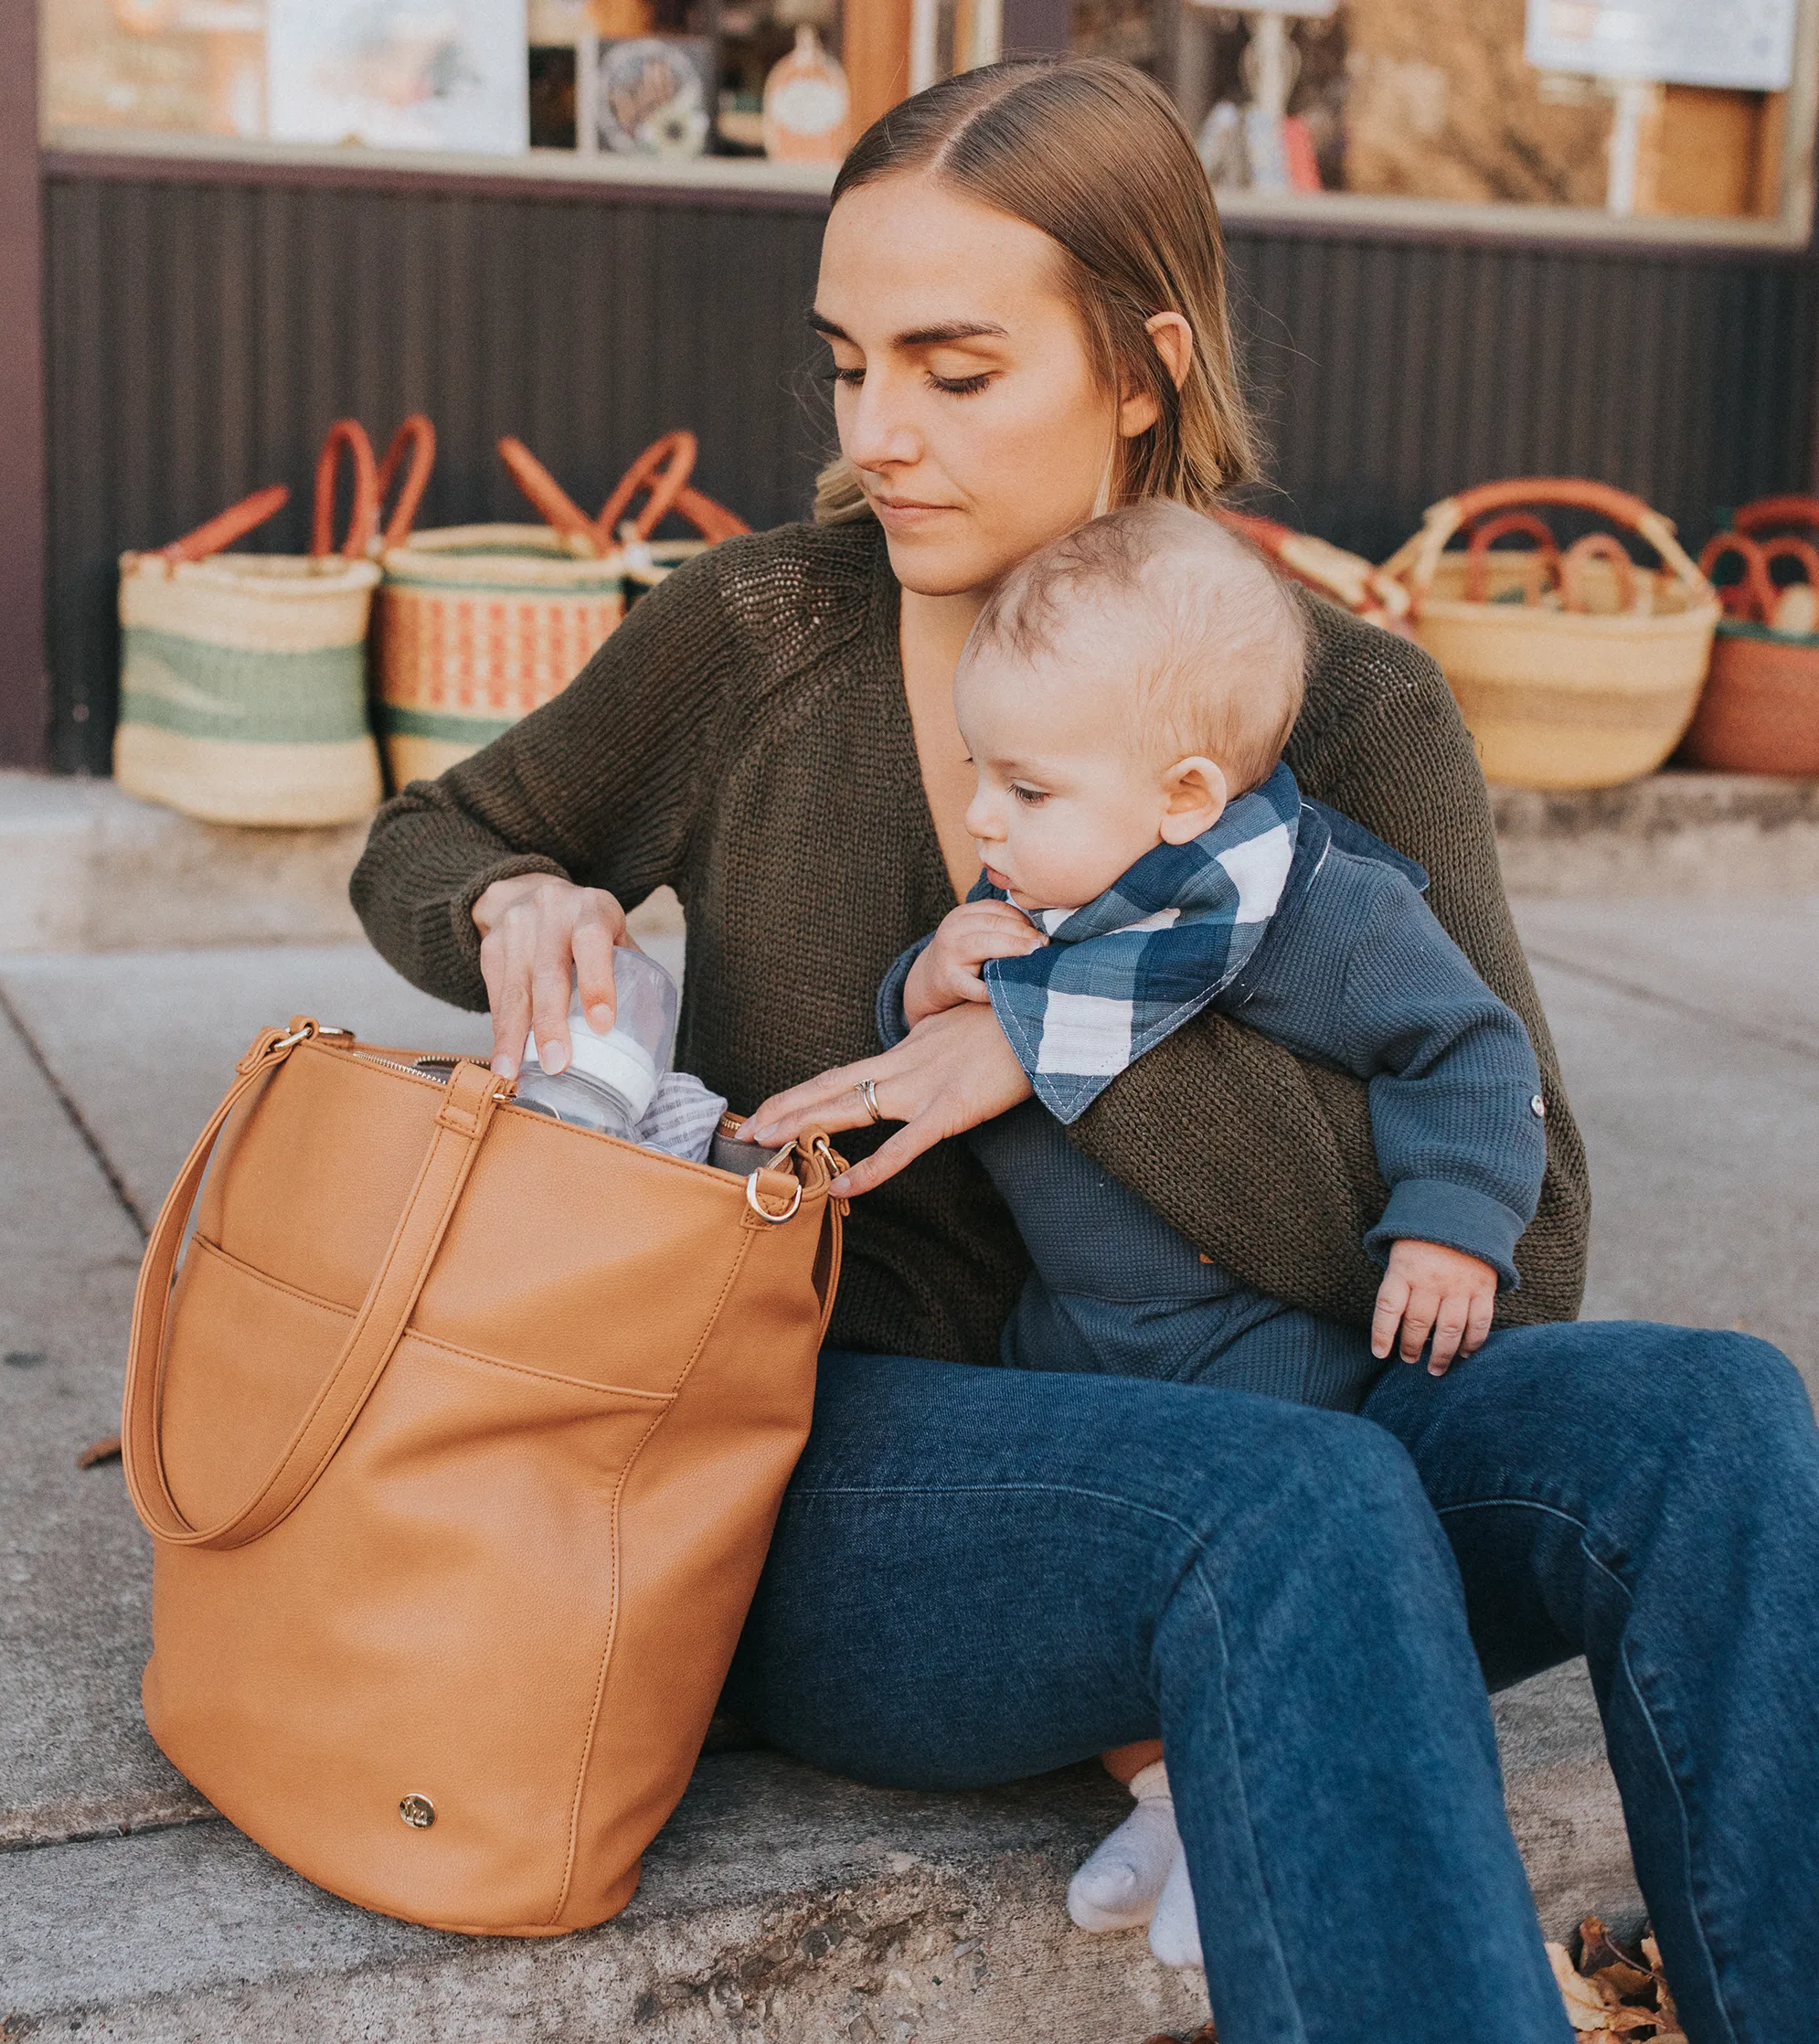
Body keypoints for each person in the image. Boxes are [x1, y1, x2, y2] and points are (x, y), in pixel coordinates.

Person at [351, 58, 1819, 2044]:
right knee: (1280, 1504)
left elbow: (1517, 1240)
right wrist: (508, 904)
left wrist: (1056, 1045)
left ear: (1141, 365)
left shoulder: (1346, 707)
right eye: (846, 365)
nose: (879, 434)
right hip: (843, 1489)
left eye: (954, 372)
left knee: (1710, 1415)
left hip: (1290, 1426)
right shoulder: (759, 633)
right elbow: (437, 830)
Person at [875, 499, 1549, 1964]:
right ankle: (1167, 1792)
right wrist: (925, 984)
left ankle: (1239, 1809)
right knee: (1100, 1586)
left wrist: (1449, 1224)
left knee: (1266, 1557)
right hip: (1074, 1352)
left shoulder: (1329, 916)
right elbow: (918, 1076)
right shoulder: (1034, 906)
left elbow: (1472, 1056)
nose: (983, 816)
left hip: (1267, 1361)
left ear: (1184, 794)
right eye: (977, 772)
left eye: (1027, 787)